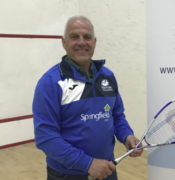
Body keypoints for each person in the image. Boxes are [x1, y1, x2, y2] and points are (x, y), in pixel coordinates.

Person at [32, 15, 143, 180]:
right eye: (74, 37)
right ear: (64, 43)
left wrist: (127, 135)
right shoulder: (50, 82)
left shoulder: (107, 76)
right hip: (67, 175)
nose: (82, 42)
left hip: (107, 169)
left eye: (87, 37)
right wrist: (87, 163)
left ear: (95, 42)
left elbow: (116, 115)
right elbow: (45, 136)